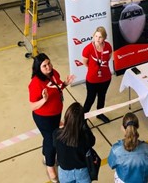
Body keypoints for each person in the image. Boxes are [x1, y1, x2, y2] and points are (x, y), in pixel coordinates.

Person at [29, 53, 76, 182]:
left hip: (56, 114)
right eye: (44, 66)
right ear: (38, 68)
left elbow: (58, 88)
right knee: (52, 142)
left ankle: (46, 156)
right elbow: (33, 106)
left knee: (48, 138)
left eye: (49, 63)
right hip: (44, 118)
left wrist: (66, 83)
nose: (48, 67)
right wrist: (44, 100)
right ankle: (50, 166)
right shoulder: (35, 83)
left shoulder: (54, 73)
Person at [53, 102, 95, 183]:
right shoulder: (85, 136)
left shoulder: (57, 134)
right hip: (82, 171)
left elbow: (55, 146)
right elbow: (92, 142)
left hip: (64, 172)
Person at [108, 112, 148, 183]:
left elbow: (111, 164)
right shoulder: (147, 148)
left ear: (123, 128)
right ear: (137, 127)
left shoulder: (116, 150)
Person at [82, 26, 113, 123]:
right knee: (90, 99)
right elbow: (85, 62)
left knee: (102, 97)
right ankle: (83, 119)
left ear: (104, 38)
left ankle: (100, 114)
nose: (97, 39)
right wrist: (94, 69)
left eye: (100, 37)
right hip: (92, 80)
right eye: (96, 36)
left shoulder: (108, 46)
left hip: (105, 78)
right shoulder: (88, 49)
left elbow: (108, 58)